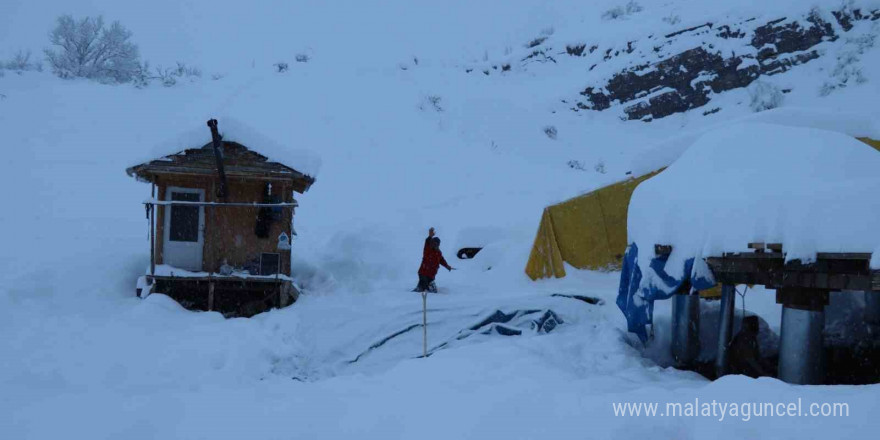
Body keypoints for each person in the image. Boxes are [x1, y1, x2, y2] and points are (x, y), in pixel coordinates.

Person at [414, 227, 453, 293]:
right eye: (433, 243)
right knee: (421, 290)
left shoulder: (438, 253)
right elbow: (427, 242)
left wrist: (447, 266)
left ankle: (421, 290)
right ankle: (411, 296)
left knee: (433, 291)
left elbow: (442, 260)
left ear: (438, 244)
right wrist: (429, 236)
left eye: (436, 244)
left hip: (431, 275)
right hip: (423, 274)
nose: (434, 245)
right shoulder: (428, 250)